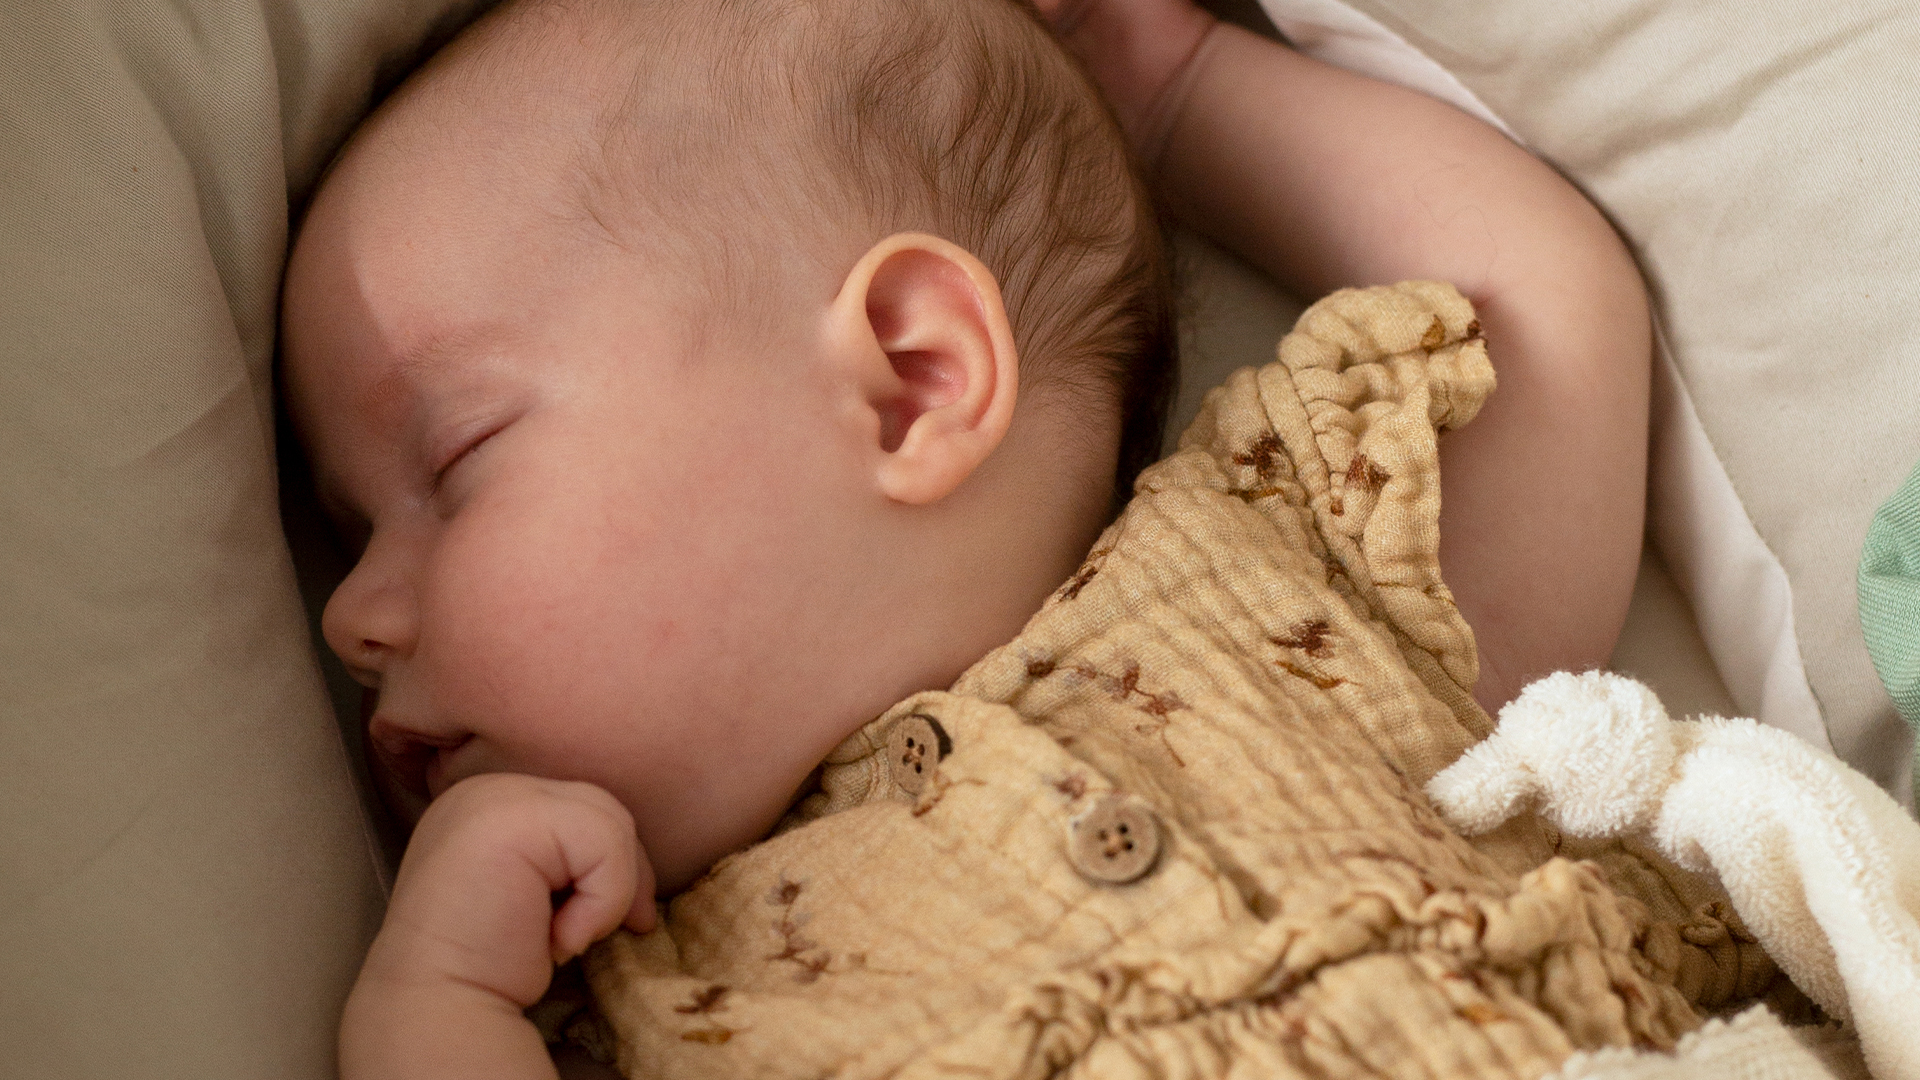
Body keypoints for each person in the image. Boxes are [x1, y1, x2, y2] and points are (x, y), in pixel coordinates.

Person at [278, 0, 1653, 1075]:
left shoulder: (1297, 575)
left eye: (453, 467)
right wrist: (437, 1003)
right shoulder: (634, 992)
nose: (353, 619)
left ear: (911, 382)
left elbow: (1530, 311)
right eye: (348, 538)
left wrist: (1172, 96)